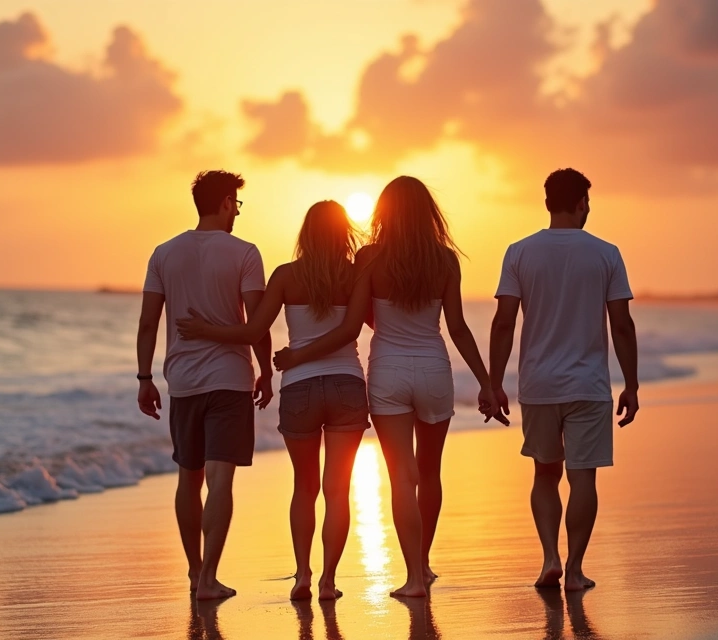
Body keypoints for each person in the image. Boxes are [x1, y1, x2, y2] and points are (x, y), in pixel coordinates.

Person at [274, 176, 500, 599]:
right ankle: (424, 565)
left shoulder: (371, 257)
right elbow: (458, 328)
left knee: (402, 477)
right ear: (427, 212)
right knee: (429, 473)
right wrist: (487, 382)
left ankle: (412, 576)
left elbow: (355, 320)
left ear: (384, 213)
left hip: (387, 371)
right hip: (434, 369)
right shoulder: (446, 260)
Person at [176, 201, 369, 601]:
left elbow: (251, 332)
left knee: (304, 486)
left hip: (299, 389)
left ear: (306, 232)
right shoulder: (354, 276)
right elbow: (352, 330)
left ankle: (302, 574)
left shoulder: (285, 275)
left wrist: (203, 329)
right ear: (343, 232)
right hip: (346, 386)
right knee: (337, 489)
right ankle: (328, 581)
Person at [488, 168, 639, 592]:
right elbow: (622, 326)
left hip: (538, 385)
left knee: (544, 474)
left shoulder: (519, 252)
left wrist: (493, 383)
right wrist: (632, 383)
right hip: (589, 386)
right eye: (587, 203)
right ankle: (573, 570)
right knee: (583, 478)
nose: (588, 209)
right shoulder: (606, 253)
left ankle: (549, 559)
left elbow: (503, 324)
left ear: (547, 202)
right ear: (580, 204)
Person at [136, 170, 273, 600]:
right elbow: (259, 323)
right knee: (220, 480)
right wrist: (266, 370)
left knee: (188, 477)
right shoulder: (245, 253)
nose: (236, 212)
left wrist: (144, 378)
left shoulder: (163, 253)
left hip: (182, 381)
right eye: (236, 203)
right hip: (230, 380)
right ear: (224, 202)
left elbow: (147, 325)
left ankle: (196, 572)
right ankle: (210, 578)